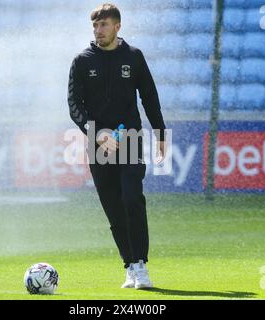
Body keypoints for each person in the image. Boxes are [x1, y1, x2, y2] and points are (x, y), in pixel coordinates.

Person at [67, 3, 166, 289]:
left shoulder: (134, 57)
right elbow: (75, 105)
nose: (98, 31)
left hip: (131, 140)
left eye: (104, 25)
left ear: (117, 26)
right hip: (99, 144)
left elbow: (149, 96)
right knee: (113, 207)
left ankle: (142, 265)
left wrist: (160, 133)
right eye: (95, 26)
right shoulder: (82, 61)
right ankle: (129, 265)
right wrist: (95, 133)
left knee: (132, 197)